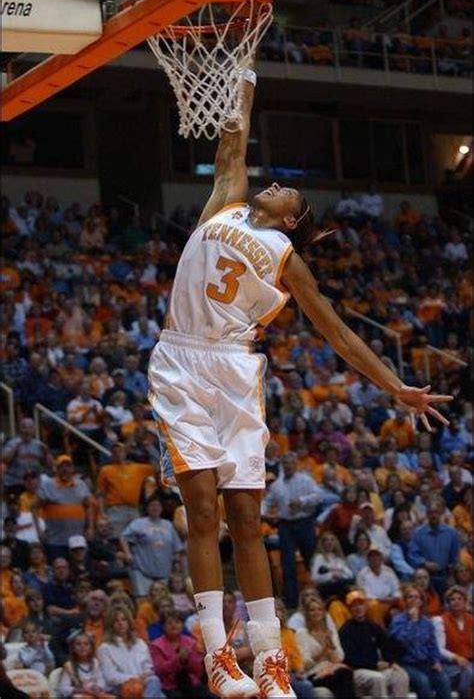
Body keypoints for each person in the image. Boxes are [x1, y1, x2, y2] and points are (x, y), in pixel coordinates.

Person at [147, 60, 452, 698]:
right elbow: (234, 139)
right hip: (180, 359)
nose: (276, 184)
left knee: (247, 519)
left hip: (233, 369)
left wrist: (395, 386)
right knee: (202, 513)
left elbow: (338, 334)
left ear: (292, 219)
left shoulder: (290, 262)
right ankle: (218, 656)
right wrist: (246, 67)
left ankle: (270, 659)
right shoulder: (224, 201)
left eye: (287, 191)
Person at [262, 452, 321, 609]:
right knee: (287, 563)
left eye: (290, 463)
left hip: (305, 522)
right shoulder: (276, 486)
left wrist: (302, 501)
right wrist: (264, 514)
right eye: (285, 463)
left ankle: (317, 596)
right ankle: (292, 601)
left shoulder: (305, 480)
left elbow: (318, 496)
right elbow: (266, 503)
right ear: (282, 465)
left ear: (296, 464)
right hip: (286, 525)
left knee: (311, 559)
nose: (288, 466)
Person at [339, 590, 409, 699]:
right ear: (349, 609)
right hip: (357, 671)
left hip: (375, 668)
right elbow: (349, 658)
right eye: (354, 606)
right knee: (378, 678)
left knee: (400, 674)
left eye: (361, 604)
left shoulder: (372, 626)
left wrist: (392, 662)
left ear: (365, 606)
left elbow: (386, 646)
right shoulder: (345, 630)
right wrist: (374, 664)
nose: (358, 608)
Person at [389, 583, 451, 699]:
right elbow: (401, 641)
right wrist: (412, 622)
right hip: (406, 663)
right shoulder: (398, 620)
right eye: (410, 597)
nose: (413, 599)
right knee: (423, 682)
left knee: (444, 680)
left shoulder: (427, 622)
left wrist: (436, 661)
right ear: (405, 600)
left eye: (417, 597)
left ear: (421, 601)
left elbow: (433, 645)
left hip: (426, 662)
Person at [120, 495, 184, 597]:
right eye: (152, 505)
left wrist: (177, 563)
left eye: (158, 505)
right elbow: (124, 537)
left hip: (164, 572)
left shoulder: (168, 525)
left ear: (162, 508)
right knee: (144, 600)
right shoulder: (139, 523)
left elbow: (177, 548)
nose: (155, 508)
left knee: (163, 600)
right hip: (142, 571)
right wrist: (127, 553)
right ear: (147, 508)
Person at [97, 605, 165, 699]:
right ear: (111, 624)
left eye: (124, 619)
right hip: (121, 687)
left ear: (129, 622)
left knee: (154, 681)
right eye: (116, 621)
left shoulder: (140, 643)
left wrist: (145, 676)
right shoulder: (105, 648)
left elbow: (148, 667)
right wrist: (136, 678)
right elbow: (110, 676)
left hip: (143, 684)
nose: (120, 623)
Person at [295, 596, 356, 699]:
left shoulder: (330, 631)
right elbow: (304, 664)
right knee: (344, 675)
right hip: (313, 674)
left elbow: (339, 658)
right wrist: (323, 651)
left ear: (324, 613)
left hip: (332, 670)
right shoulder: (302, 633)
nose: (316, 612)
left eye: (319, 609)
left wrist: (330, 642)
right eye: (312, 610)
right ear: (307, 614)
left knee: (344, 674)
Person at [151, 611, 209, 698]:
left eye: (177, 622)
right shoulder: (156, 645)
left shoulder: (191, 642)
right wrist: (178, 659)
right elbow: (160, 670)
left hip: (191, 683)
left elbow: (198, 670)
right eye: (169, 623)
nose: (173, 625)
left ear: (182, 625)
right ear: (163, 626)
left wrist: (187, 660)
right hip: (170, 686)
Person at [409, 498, 460, 594]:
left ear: (441, 513)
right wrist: (425, 563)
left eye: (436, 512)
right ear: (426, 514)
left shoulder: (451, 533)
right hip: (425, 577)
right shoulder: (418, 533)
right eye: (430, 512)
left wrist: (451, 576)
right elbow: (412, 555)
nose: (433, 515)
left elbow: (455, 557)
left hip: (446, 576)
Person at [433, 585, 473, 699]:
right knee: (469, 673)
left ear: (465, 601)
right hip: (449, 664)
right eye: (452, 599)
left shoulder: (471, 619)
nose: (456, 602)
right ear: (448, 603)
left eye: (460, 599)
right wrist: (456, 657)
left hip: (469, 661)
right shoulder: (440, 621)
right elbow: (439, 649)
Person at [58, 630, 113, 699]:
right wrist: (82, 690)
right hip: (80, 695)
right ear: (73, 648)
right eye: (78, 644)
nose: (82, 647)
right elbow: (63, 688)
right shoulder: (69, 666)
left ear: (91, 648)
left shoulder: (96, 662)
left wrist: (98, 687)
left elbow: (101, 680)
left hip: (95, 694)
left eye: (86, 644)